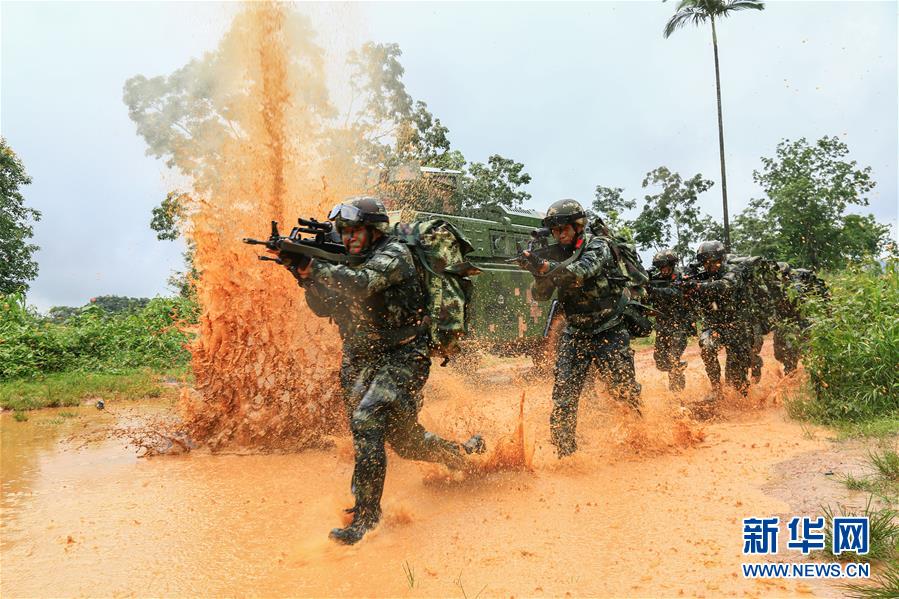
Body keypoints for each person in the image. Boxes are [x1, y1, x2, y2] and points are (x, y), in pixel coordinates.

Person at [288, 196, 485, 545]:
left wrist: (315, 268)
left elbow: (362, 283)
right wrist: (306, 277)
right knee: (405, 441)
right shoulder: (348, 261)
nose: (347, 238)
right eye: (342, 231)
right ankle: (462, 455)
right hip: (360, 358)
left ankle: (366, 517)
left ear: (374, 230)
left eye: (354, 231)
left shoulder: (394, 255)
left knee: (366, 419)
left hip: (405, 353)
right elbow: (323, 307)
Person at [521, 199, 641, 458]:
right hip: (575, 334)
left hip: (609, 329)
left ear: (578, 226)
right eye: (554, 230)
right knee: (564, 397)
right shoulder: (556, 255)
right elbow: (540, 295)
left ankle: (640, 442)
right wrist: (537, 272)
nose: (558, 234)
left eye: (563, 228)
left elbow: (579, 272)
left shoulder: (598, 245)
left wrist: (545, 267)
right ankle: (566, 455)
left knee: (623, 392)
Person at [692, 240, 754, 402]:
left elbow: (726, 286)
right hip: (714, 326)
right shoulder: (700, 275)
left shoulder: (734, 270)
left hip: (737, 327)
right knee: (706, 347)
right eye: (705, 262)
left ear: (721, 258)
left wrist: (698, 287)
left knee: (736, 378)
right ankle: (715, 389)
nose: (710, 265)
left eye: (714, 261)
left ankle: (745, 405)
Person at [647, 249, 696, 392]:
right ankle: (678, 368)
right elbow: (648, 297)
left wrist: (651, 289)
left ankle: (677, 393)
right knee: (660, 361)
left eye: (666, 266)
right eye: (661, 267)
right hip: (662, 324)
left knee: (673, 356)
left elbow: (675, 294)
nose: (664, 270)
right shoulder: (655, 278)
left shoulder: (682, 276)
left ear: (672, 265)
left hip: (680, 324)